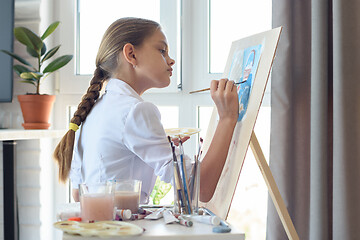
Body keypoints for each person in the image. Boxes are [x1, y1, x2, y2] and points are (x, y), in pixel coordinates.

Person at [53, 17, 239, 203]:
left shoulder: (92, 110)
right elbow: (200, 188)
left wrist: (153, 148)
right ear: (131, 54)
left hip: (97, 227)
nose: (171, 60)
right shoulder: (136, 110)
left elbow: (78, 194)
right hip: (122, 230)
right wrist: (227, 118)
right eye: (162, 51)